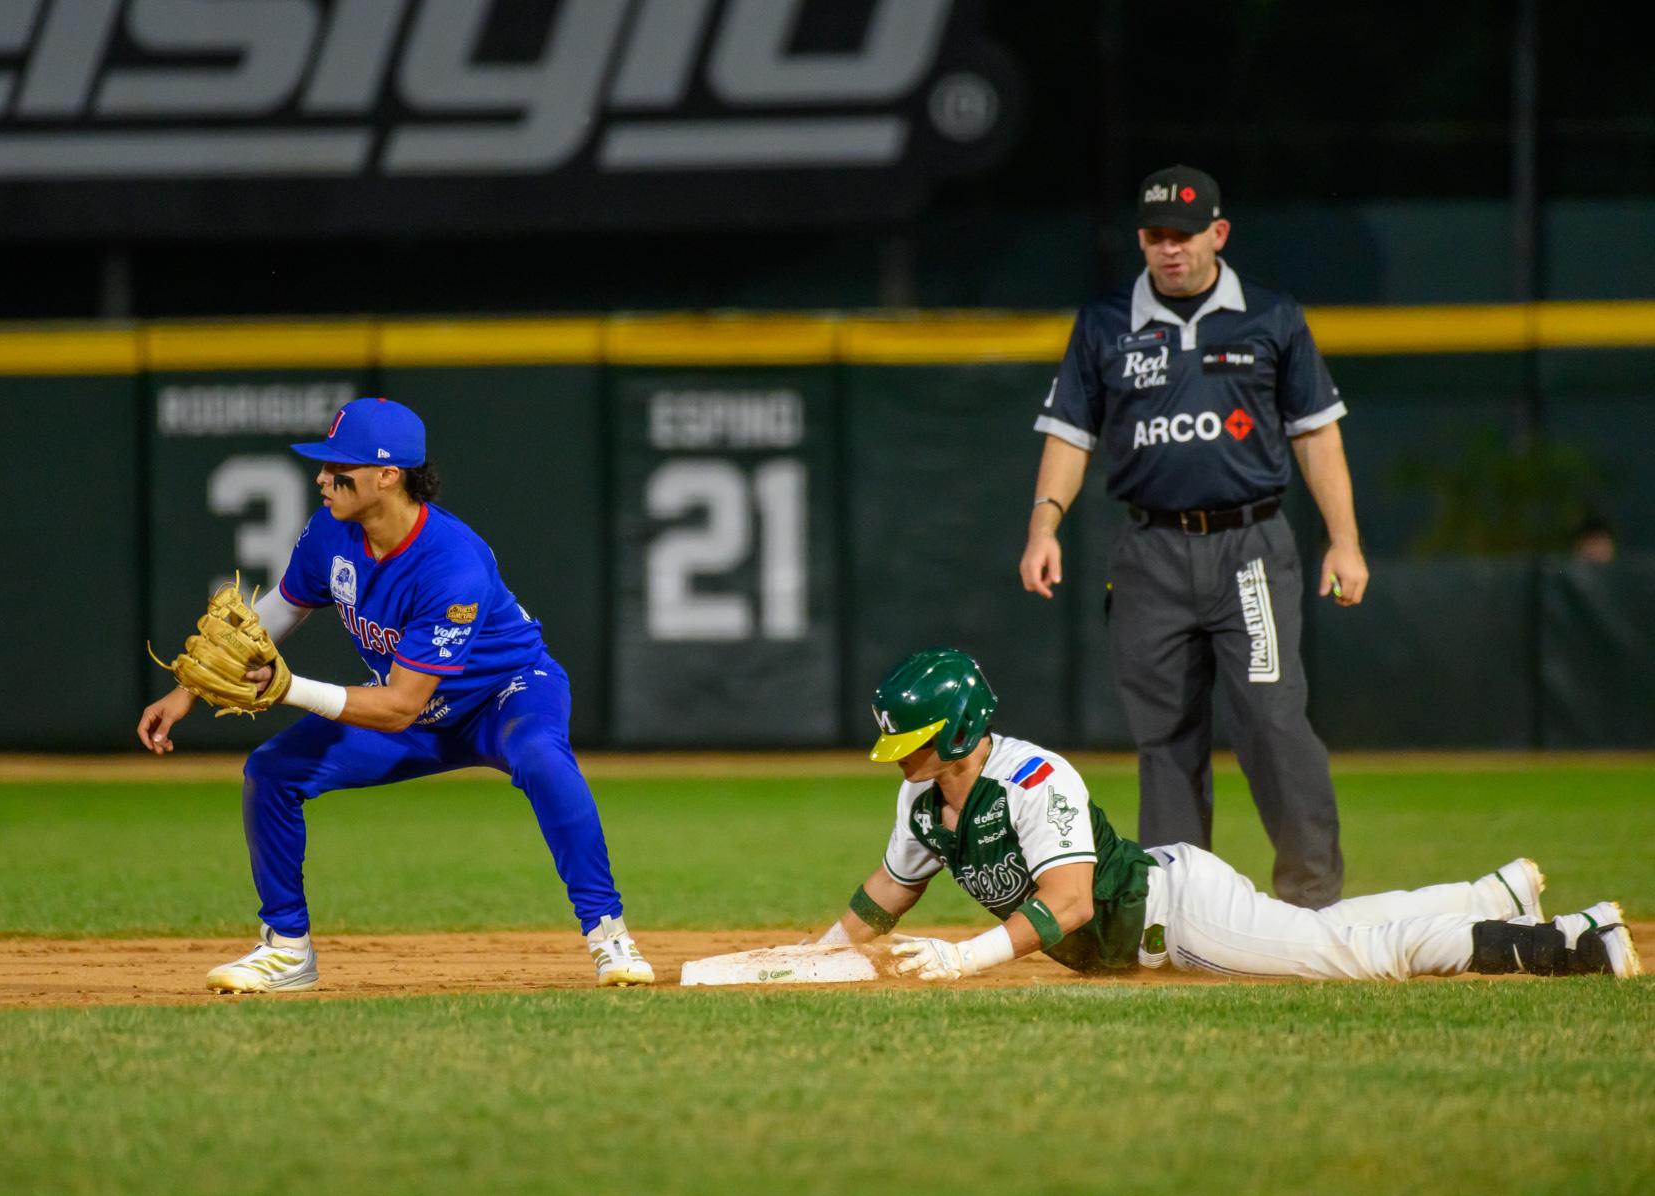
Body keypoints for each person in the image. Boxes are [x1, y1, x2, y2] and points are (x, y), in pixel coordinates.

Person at [138, 396, 654, 991]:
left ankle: (608, 934)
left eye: (340, 468)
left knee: (541, 758)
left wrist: (291, 689)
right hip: (412, 709)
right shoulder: (330, 532)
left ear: (388, 477)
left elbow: (404, 704)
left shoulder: (453, 564)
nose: (323, 478)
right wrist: (186, 691)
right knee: (271, 772)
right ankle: (286, 950)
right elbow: (278, 611)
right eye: (325, 466)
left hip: (503, 697)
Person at [815, 647, 1641, 984]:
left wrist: (965, 960)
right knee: (1333, 930)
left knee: (1358, 957)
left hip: (1175, 919)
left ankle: (1570, 943)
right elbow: (883, 896)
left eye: (913, 740)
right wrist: (803, 958)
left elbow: (1067, 905)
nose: (901, 756)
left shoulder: (1034, 777)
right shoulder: (922, 798)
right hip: (1166, 905)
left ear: (957, 731)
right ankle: (1491, 895)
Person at [1019, 164, 1366, 909]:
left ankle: (1311, 902)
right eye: (1155, 236)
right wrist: (1043, 524)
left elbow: (1317, 437)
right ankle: (1177, 910)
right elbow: (1070, 436)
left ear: (1219, 232)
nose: (1170, 249)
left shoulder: (1271, 318)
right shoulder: (1106, 324)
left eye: (1184, 234)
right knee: (1166, 738)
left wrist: (1345, 540)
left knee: (1273, 722)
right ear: (1140, 239)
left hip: (1250, 550)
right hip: (1149, 554)